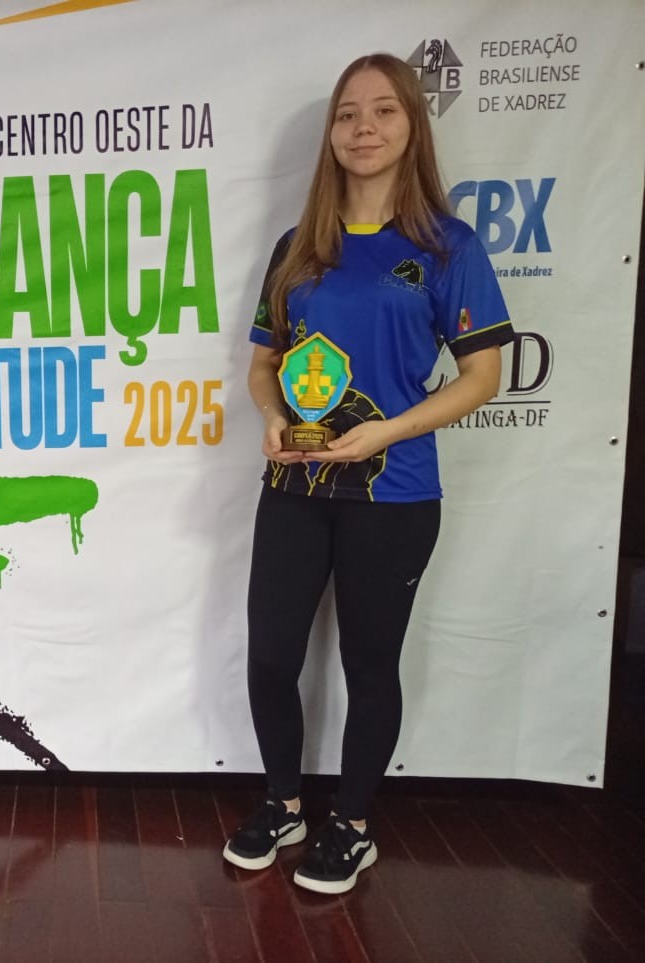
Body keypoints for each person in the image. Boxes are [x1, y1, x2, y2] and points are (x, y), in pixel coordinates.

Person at [221, 52, 514, 894]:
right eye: (348, 114)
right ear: (331, 134)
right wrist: (272, 416)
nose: (363, 128)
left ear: (412, 126)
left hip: (394, 491)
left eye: (384, 111)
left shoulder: (447, 246)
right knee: (271, 656)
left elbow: (482, 376)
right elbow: (263, 363)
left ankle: (351, 824)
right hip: (296, 484)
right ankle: (283, 804)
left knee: (370, 664)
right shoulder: (297, 246)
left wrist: (386, 430)